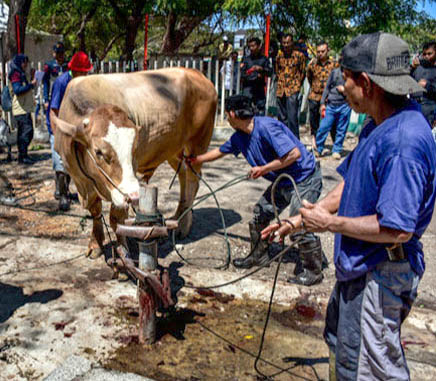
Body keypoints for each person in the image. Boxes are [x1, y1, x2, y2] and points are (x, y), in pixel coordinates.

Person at [262, 32, 436, 381]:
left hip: (379, 273)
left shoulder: (404, 142)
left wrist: (328, 225)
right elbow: (350, 184)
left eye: (344, 77)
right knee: (341, 349)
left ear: (367, 83)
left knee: (369, 370)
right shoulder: (381, 122)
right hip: (358, 267)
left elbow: (397, 229)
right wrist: (300, 220)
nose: (340, 87)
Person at [187, 95, 324, 286]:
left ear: (233, 114)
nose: (226, 117)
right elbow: (220, 152)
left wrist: (263, 169)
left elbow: (294, 154)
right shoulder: (240, 137)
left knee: (299, 222)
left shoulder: (267, 127)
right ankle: (258, 256)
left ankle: (313, 271)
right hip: (281, 182)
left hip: (304, 179)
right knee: (261, 212)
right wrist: (196, 160)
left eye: (227, 114)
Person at [49, 51, 93, 211]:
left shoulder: (82, 83)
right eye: (83, 71)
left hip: (72, 127)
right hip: (59, 126)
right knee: (61, 162)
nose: (85, 74)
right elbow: (53, 110)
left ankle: (64, 190)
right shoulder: (62, 82)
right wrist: (56, 134)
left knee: (70, 162)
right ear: (74, 70)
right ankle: (62, 196)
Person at [315, 67, 351, 160]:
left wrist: (345, 90)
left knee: (341, 130)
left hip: (345, 105)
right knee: (323, 127)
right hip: (331, 105)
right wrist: (322, 103)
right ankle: (318, 149)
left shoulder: (352, 74)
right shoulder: (335, 72)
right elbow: (327, 87)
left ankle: (337, 150)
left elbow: (356, 89)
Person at [306, 41, 337, 149]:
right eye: (318, 51)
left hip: (330, 97)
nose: (320, 54)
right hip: (315, 95)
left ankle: (335, 143)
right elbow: (309, 77)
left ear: (327, 51)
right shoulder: (312, 64)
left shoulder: (334, 64)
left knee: (332, 120)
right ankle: (315, 140)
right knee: (314, 120)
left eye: (322, 51)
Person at [275, 33, 307, 138]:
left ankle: (295, 142)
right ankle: (283, 141)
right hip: (281, 90)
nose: (286, 45)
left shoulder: (299, 56)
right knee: (281, 118)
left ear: (292, 43)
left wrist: (297, 84)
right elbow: (277, 70)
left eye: (288, 42)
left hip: (293, 89)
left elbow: (303, 72)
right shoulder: (279, 56)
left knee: (292, 118)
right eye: (284, 43)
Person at [8, 54, 37, 164]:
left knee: (25, 132)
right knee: (26, 132)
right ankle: (23, 156)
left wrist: (31, 77)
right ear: (20, 62)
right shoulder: (15, 74)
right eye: (25, 62)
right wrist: (31, 85)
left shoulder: (20, 72)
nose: (26, 65)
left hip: (24, 108)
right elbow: (18, 90)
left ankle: (23, 155)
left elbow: (24, 84)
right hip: (20, 108)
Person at [241, 36, 273, 115]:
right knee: (246, 111)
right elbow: (242, 73)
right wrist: (252, 75)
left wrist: (261, 70)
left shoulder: (264, 59)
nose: (251, 48)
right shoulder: (246, 59)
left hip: (259, 90)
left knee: (260, 112)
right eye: (250, 46)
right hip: (248, 89)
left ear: (258, 46)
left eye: (253, 46)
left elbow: (270, 72)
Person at [43, 42, 68, 135]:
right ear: (54, 53)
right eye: (57, 53)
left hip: (65, 95)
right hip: (54, 95)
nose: (60, 55)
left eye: (61, 53)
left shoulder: (68, 65)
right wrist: (46, 98)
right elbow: (46, 82)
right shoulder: (49, 65)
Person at [410, 41, 436, 127]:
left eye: (429, 54)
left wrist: (427, 86)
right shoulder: (417, 67)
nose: (426, 57)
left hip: (429, 112)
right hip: (413, 109)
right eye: (424, 54)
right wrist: (412, 68)